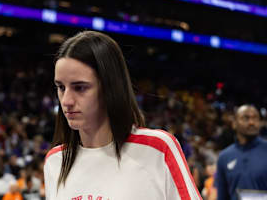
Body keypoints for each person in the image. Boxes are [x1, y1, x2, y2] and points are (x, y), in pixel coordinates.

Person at [44, 31, 201, 200]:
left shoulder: (157, 149)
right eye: (61, 87)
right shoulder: (55, 161)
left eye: (80, 88)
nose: (66, 100)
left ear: (110, 87)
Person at [215, 104, 267, 200]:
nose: (251, 122)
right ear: (234, 124)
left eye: (255, 118)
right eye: (246, 118)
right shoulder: (224, 157)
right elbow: (222, 196)